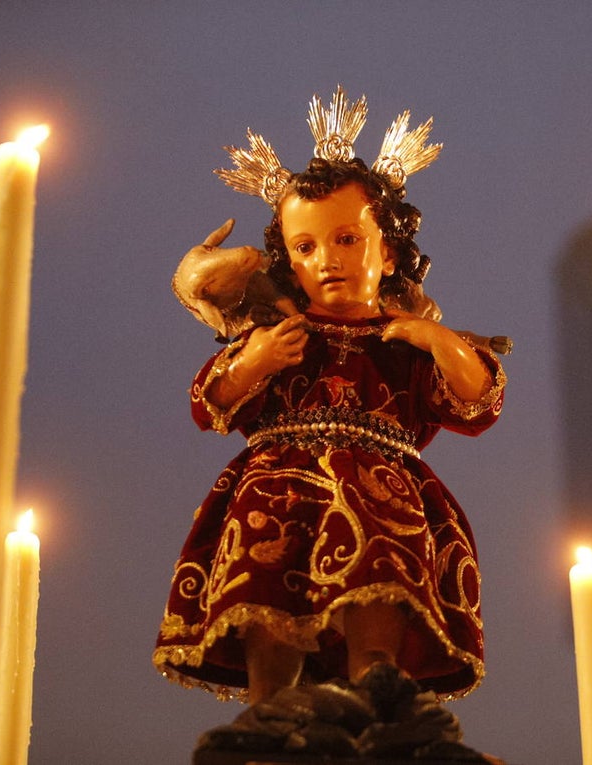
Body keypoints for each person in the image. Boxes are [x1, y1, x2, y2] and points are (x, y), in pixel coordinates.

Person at [153, 89, 506, 711]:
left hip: (381, 503)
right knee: (270, 611)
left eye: (347, 240)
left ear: (388, 251)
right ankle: (270, 712)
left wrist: (437, 339)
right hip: (277, 494)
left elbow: (479, 400)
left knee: (379, 596)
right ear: (288, 258)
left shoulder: (404, 343)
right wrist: (256, 361)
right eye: (306, 248)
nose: (328, 262)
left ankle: (376, 693)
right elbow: (210, 402)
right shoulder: (278, 334)